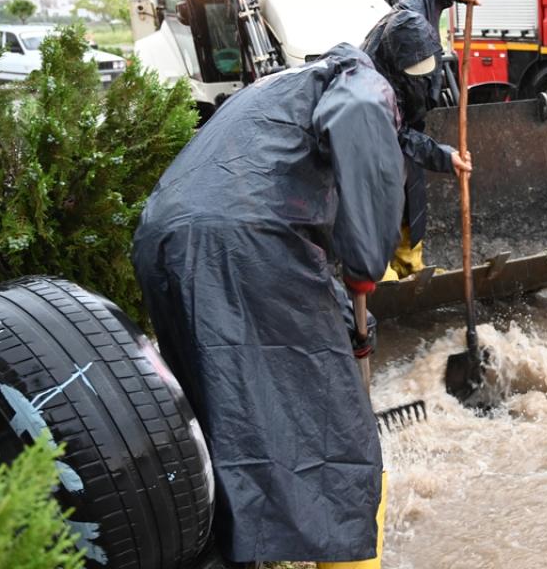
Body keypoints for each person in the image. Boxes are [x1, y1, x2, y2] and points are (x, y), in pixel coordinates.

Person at [132, 42, 405, 568]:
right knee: (341, 435)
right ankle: (345, 559)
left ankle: (245, 552)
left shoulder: (276, 88)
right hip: (245, 243)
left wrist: (345, 309)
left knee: (224, 419)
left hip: (164, 239)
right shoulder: (357, 79)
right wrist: (365, 264)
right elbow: (360, 119)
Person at [361, 0, 480, 279]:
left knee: (413, 185)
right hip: (377, 132)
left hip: (411, 117)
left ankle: (408, 262)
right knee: (384, 185)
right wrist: (443, 156)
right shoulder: (374, 85)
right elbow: (400, 137)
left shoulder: (415, 13)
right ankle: (378, 270)